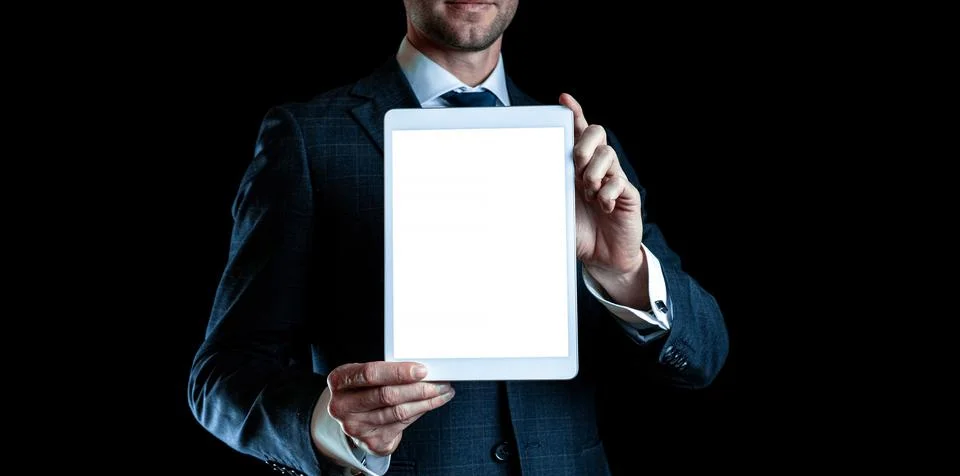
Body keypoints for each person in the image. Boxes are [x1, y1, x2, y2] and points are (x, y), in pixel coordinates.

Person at [188, 1, 729, 475]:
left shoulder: (579, 147)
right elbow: (220, 376)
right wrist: (326, 424)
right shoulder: (306, 137)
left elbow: (703, 357)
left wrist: (624, 269)